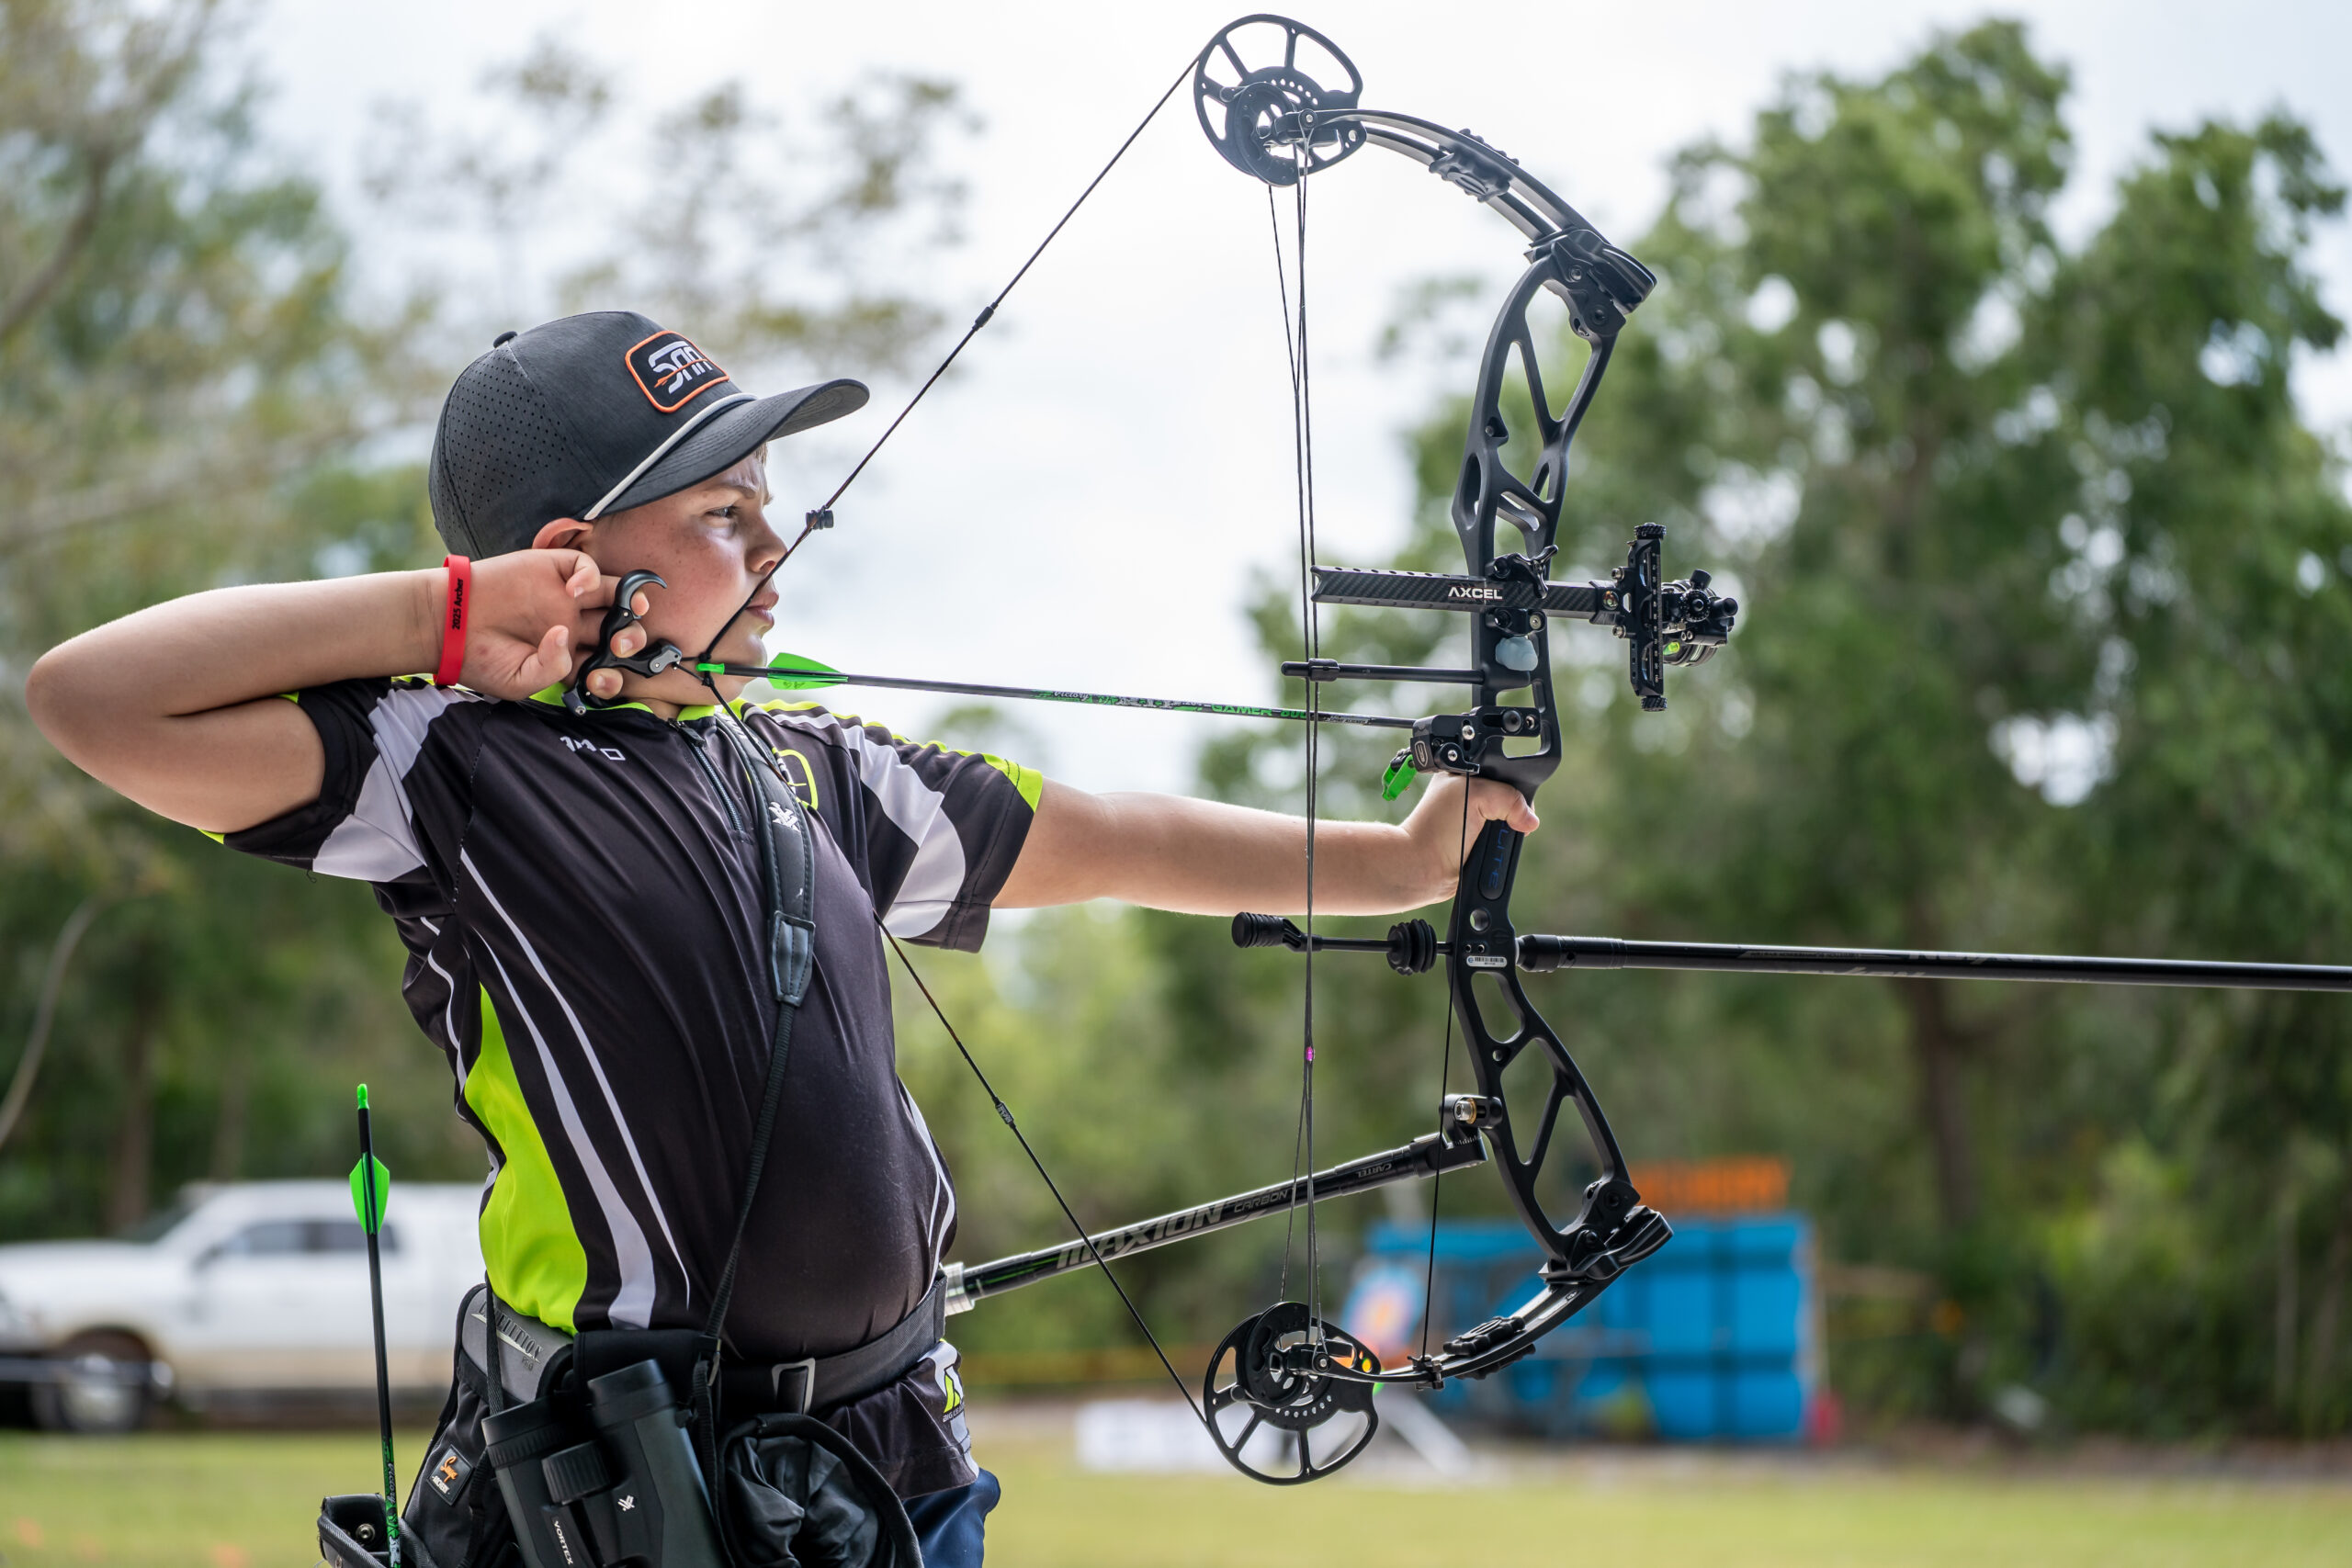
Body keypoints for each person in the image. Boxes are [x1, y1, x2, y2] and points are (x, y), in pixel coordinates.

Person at [25, 310, 1535, 1566]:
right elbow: (92, 700)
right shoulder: (454, 772)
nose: (774, 552)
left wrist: (1401, 860)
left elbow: (1120, 837)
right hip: (645, 1484)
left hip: (895, 1468)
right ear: (578, 562)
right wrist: (451, 609)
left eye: (770, 507)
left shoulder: (820, 770)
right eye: (722, 519)